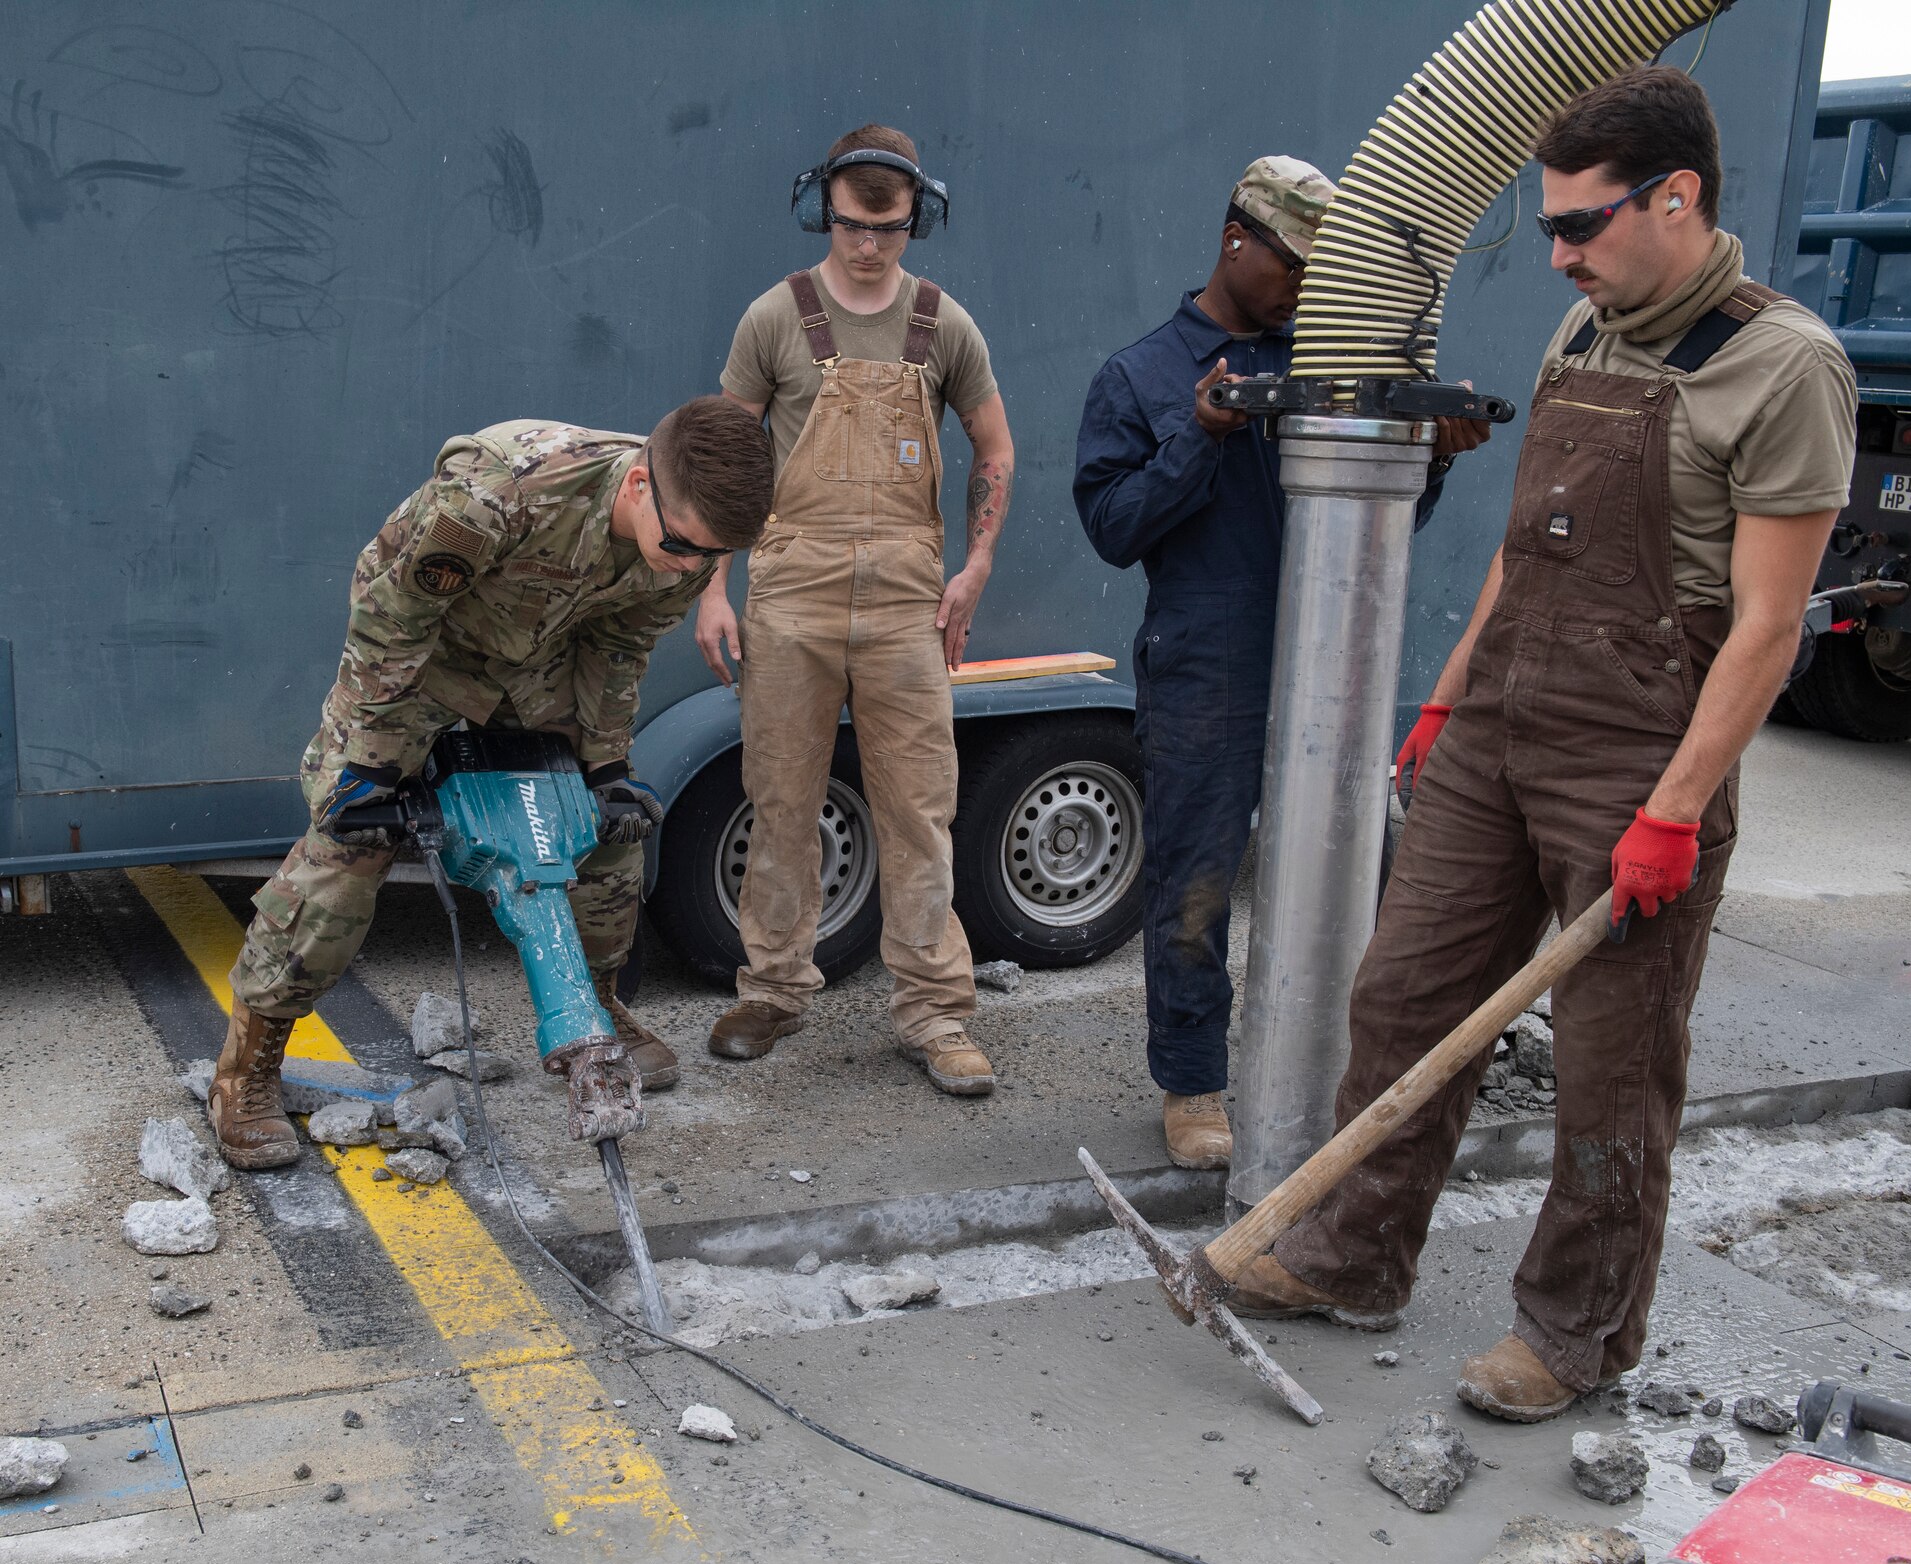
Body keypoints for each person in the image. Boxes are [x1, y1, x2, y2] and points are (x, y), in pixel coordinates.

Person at [1226, 69, 1859, 1422]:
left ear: (1676, 199)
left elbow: (1762, 629)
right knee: (1403, 999)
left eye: (1581, 224)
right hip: (1504, 720)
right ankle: (1352, 1257)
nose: (1562, 253)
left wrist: (1677, 809)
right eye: (1555, 226)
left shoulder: (1783, 367)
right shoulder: (1586, 332)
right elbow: (1529, 554)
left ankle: (1576, 1333)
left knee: (1608, 1066)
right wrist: (1451, 699)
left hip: (1637, 755)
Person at [213, 401, 775, 1170]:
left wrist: (605, 768)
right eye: (680, 545)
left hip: (537, 662)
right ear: (641, 484)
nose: (687, 567)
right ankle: (248, 1066)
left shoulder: (688, 545)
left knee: (603, 833)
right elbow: (393, 612)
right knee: (350, 848)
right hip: (421, 656)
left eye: (711, 557)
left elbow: (619, 646)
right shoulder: (500, 496)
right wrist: (374, 763)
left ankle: (594, 1010)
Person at [1073, 157, 1487, 1171]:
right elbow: (1114, 527)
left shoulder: (1323, 362)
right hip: (1204, 662)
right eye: (1292, 265)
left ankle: (1330, 1070)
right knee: (1197, 879)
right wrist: (1198, 434)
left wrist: (1427, 456)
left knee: (1352, 870)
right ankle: (1192, 1085)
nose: (1305, 289)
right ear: (1233, 239)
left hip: (1328, 658)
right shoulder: (1142, 376)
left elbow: (1381, 520)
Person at [699, 124, 1014, 1097]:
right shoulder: (773, 319)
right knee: (782, 799)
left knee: (917, 809)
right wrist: (710, 586)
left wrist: (974, 569)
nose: (864, 246)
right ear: (822, 210)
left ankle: (934, 1011)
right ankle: (772, 990)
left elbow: (994, 450)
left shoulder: (941, 324)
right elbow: (718, 452)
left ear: (912, 219)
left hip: (905, 603)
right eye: (847, 226)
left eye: (882, 228)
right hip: (787, 593)